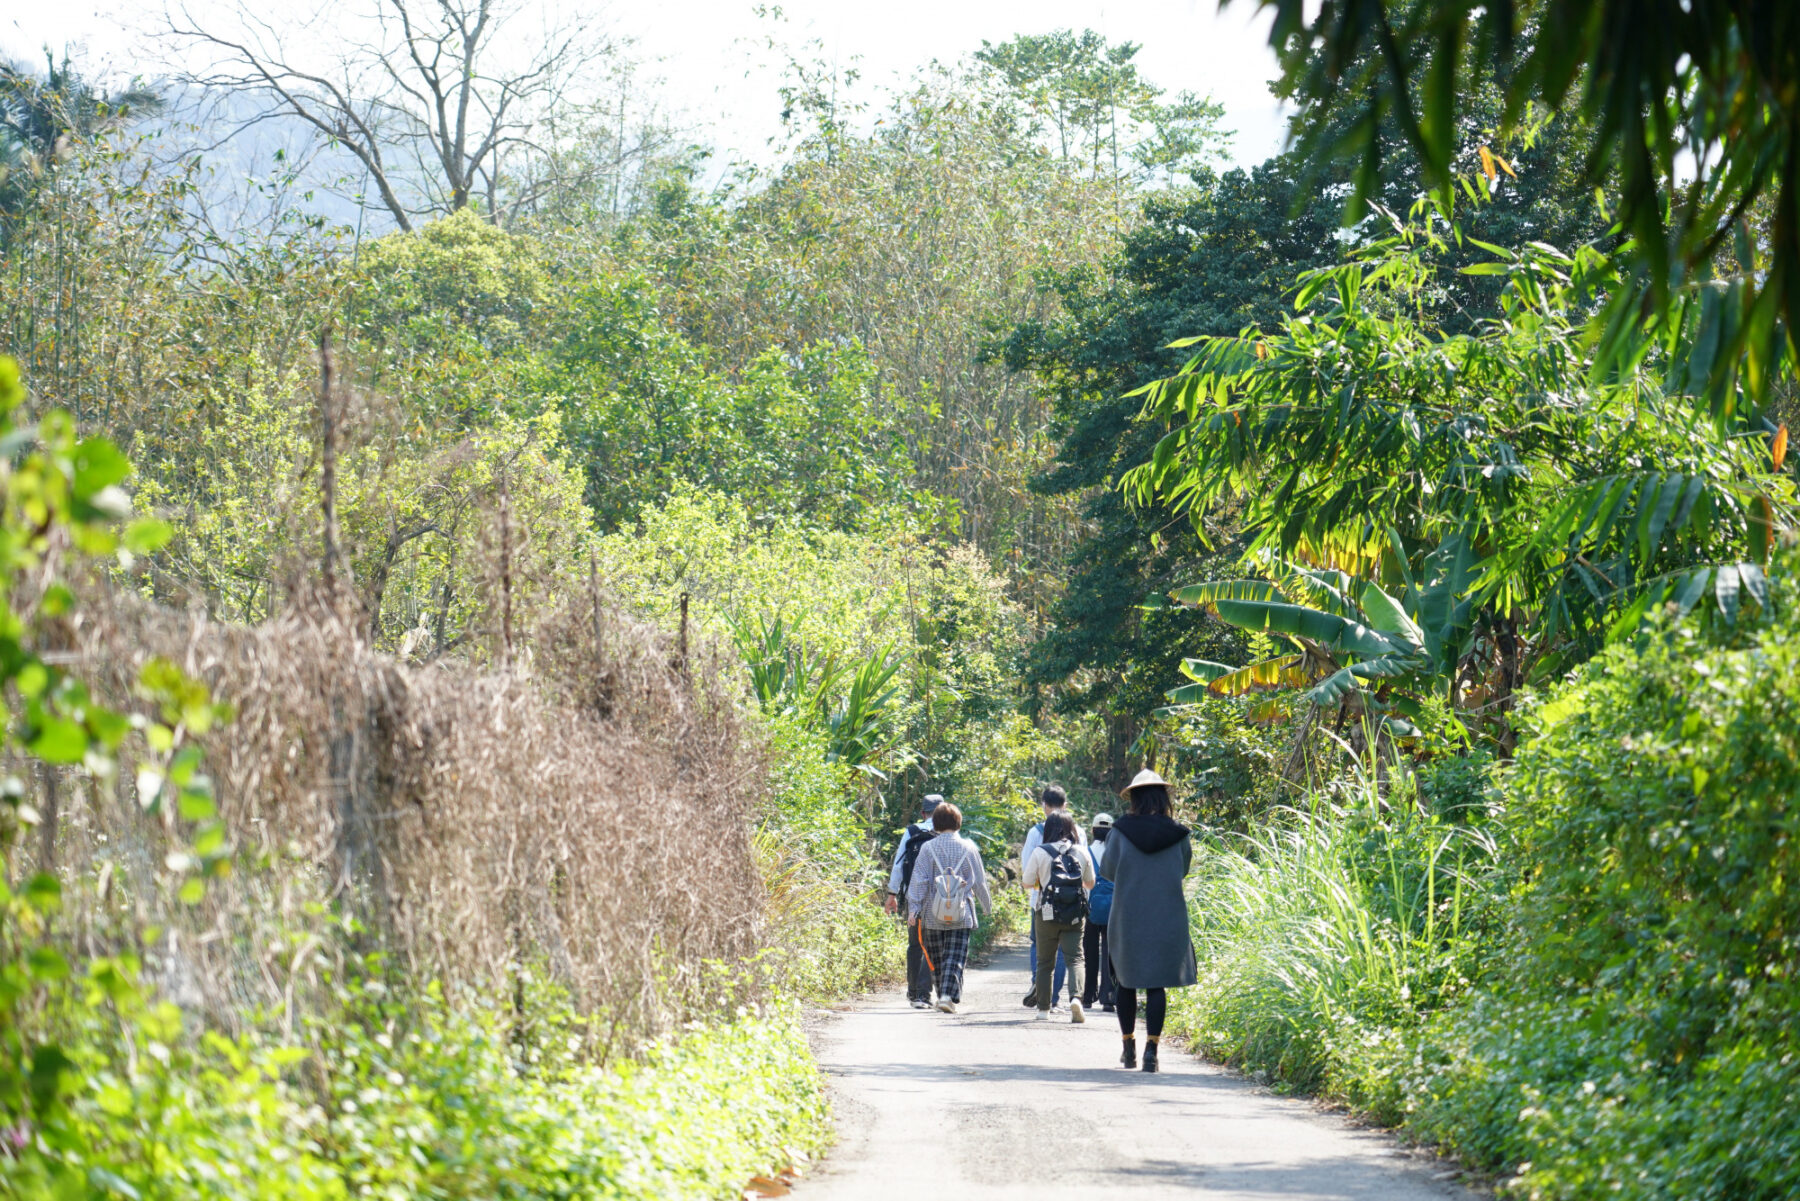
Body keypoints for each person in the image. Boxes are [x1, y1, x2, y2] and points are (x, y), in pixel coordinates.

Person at [1099, 769, 1196, 1074]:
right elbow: (1182, 870)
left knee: (1126, 982)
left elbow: (1108, 870)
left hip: (1128, 915)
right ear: (1163, 797)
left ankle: (1128, 1047)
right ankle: (1151, 1051)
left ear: (1135, 798)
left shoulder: (1119, 831)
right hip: (1167, 915)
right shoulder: (1179, 834)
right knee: (1156, 985)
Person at [905, 802, 993, 1014]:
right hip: (961, 912)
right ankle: (946, 996)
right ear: (958, 823)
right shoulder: (969, 848)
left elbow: (919, 880)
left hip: (932, 912)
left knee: (936, 958)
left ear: (935, 823)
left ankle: (943, 995)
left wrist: (913, 909)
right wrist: (987, 906)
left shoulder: (927, 848)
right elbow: (980, 881)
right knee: (955, 956)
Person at [1021, 811, 1094, 1022]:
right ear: (1071, 829)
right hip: (1074, 914)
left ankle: (1043, 1009)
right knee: (1076, 958)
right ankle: (1076, 998)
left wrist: (1042, 880)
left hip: (1046, 913)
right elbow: (1090, 883)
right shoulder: (1082, 851)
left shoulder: (1040, 852)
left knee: (1045, 962)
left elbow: (1027, 883)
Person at [885, 794, 944, 1009]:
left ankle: (913, 993)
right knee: (933, 944)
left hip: (914, 897)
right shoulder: (949, 832)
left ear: (922, 813)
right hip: (941, 898)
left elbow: (899, 864)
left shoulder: (912, 831)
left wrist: (892, 894)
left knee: (915, 944)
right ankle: (923, 995)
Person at [1081, 813, 1117, 1013]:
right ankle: (1108, 998)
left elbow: (1083, 883)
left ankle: (1087, 996)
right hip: (1113, 910)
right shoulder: (1116, 854)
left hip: (1092, 910)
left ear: (1093, 830)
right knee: (1110, 954)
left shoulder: (1086, 852)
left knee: (1090, 953)